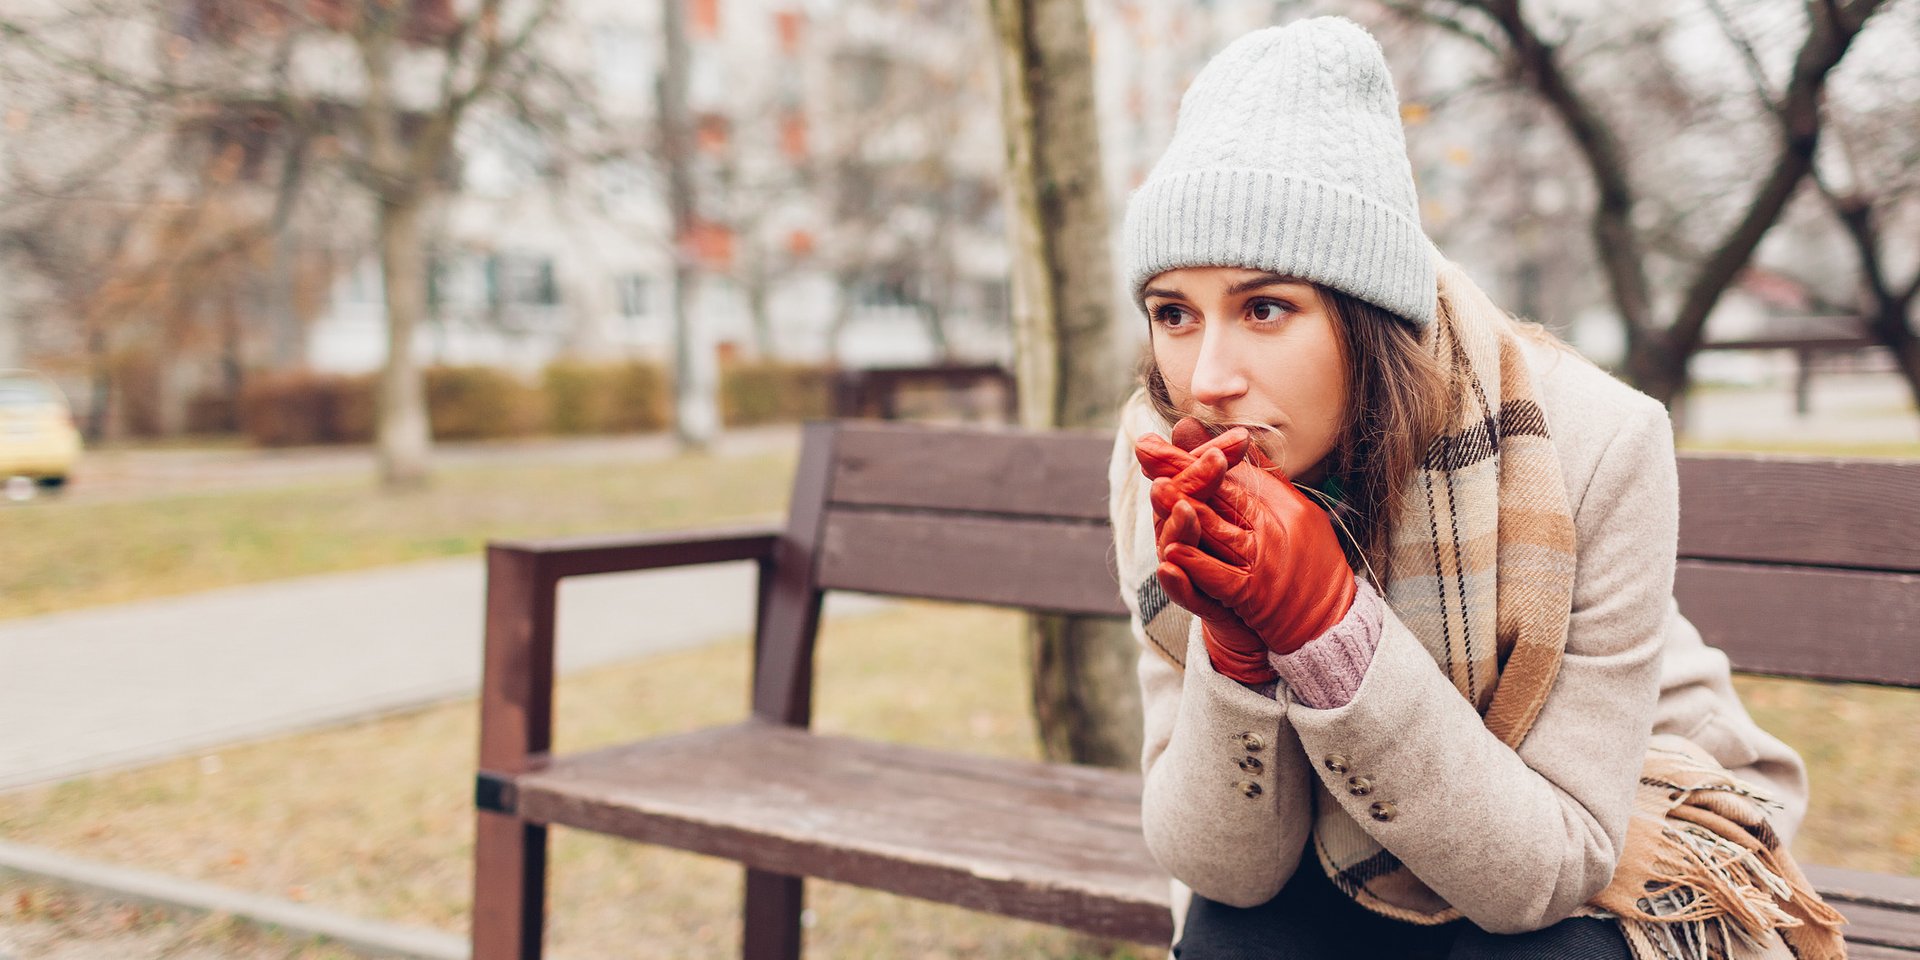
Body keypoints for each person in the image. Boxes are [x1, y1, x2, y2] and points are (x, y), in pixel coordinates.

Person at [1106, 17, 1844, 960]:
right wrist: (1241, 653)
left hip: (1610, 804)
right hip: (1342, 823)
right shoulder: (1165, 457)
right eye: (1175, 313)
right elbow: (1222, 867)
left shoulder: (1598, 440)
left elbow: (1550, 867)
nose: (1207, 377)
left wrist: (1327, 629)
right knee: (1235, 940)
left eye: (1265, 308)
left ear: (1368, 314)